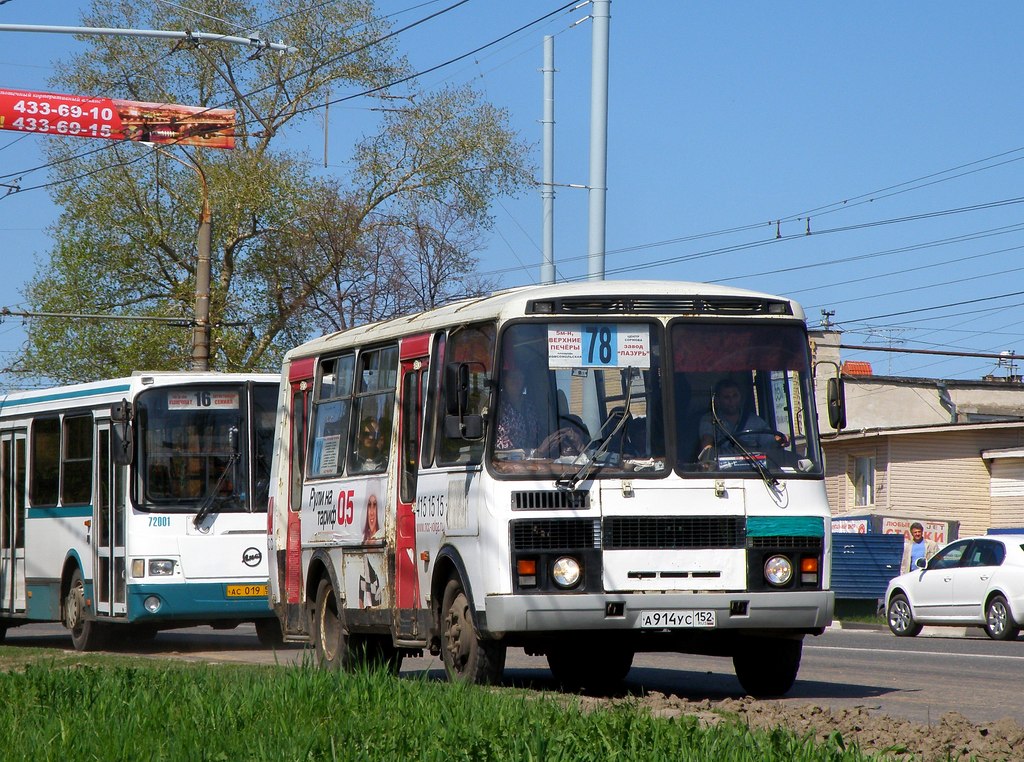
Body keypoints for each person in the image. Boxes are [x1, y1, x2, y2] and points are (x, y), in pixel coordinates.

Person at [697, 378, 778, 458]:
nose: (731, 400)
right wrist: (708, 455)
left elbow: (770, 444)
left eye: (735, 396)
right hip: (721, 469)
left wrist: (779, 440)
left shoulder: (755, 421)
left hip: (753, 468)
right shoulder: (710, 420)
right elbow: (706, 445)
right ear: (717, 400)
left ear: (740, 397)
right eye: (726, 397)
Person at [495, 368, 541, 452]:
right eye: (512, 376)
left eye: (520, 377)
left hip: (529, 459)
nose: (516, 381)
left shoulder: (530, 405)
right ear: (504, 380)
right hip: (503, 459)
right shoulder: (496, 405)